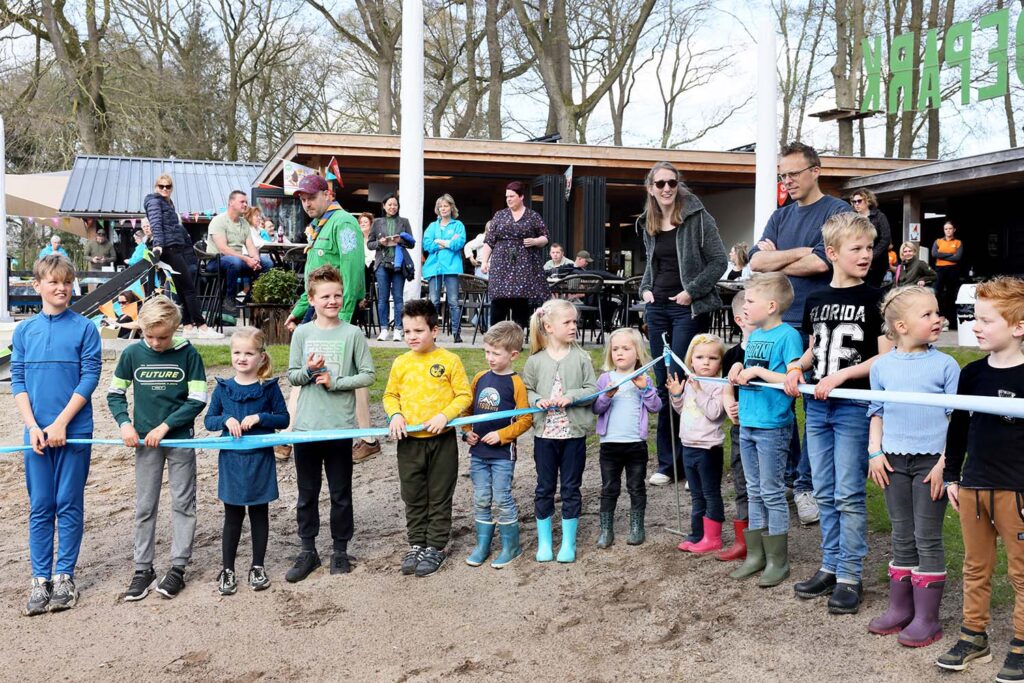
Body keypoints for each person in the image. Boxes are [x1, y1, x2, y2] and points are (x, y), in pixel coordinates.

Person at [784, 212, 889, 615]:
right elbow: (817, 348)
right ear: (831, 253)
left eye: (869, 248)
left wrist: (843, 375)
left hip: (853, 407)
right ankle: (829, 565)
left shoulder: (875, 297)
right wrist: (797, 366)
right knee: (823, 491)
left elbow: (882, 357)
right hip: (818, 406)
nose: (865, 255)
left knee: (848, 493)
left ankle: (850, 575)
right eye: (856, 249)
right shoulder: (815, 299)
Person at [750, 142, 849, 526]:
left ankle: (807, 485)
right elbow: (758, 263)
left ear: (815, 170)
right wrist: (801, 252)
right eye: (782, 174)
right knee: (778, 402)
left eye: (793, 173)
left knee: (812, 403)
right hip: (777, 321)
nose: (787, 181)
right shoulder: (780, 215)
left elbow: (822, 262)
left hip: (817, 321)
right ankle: (788, 476)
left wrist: (785, 257)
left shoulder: (836, 211)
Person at [937, 277, 1024, 678]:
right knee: (975, 566)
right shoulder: (970, 373)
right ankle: (975, 636)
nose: (975, 325)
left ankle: (1021, 643)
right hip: (974, 485)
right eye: (975, 317)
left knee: (1021, 571)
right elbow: (957, 429)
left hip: (1017, 491)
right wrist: (952, 474)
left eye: (987, 320)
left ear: (1018, 326)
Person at [866, 286, 959, 646]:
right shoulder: (883, 367)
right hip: (892, 461)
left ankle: (927, 618)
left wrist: (944, 465)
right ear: (901, 326)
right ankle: (900, 609)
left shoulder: (946, 365)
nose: (938, 319)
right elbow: (877, 411)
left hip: (931, 463)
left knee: (927, 535)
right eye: (928, 315)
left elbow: (956, 419)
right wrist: (875, 452)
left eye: (938, 313)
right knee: (901, 532)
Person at [13, 255, 102, 616]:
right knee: (40, 506)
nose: (61, 288)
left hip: (74, 431)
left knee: (68, 502)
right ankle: (40, 579)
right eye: (53, 282)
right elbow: (17, 381)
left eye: (66, 281)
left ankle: (64, 575)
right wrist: (34, 426)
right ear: (37, 286)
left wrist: (63, 423)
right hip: (35, 434)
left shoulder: (85, 328)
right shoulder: (24, 332)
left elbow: (89, 378)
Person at [107, 295, 207, 601]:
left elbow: (198, 399)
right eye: (149, 336)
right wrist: (125, 423)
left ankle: (178, 566)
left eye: (162, 337)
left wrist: (165, 427)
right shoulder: (133, 354)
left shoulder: (189, 355)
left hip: (178, 440)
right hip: (144, 444)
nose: (154, 343)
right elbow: (115, 394)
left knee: (182, 502)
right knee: (145, 505)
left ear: (174, 329)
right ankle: (143, 568)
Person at [638, 161, 728, 488]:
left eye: (671, 183)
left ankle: (696, 462)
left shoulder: (699, 218)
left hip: (686, 309)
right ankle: (668, 464)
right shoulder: (646, 222)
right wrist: (644, 289)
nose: (666, 189)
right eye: (659, 183)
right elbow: (651, 264)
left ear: (678, 185)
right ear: (650, 188)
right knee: (665, 387)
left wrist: (691, 292)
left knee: (688, 381)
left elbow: (719, 262)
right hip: (657, 309)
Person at [285, 266, 375, 581]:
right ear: (312, 299)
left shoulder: (352, 334)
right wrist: (309, 371)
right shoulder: (302, 333)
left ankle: (339, 550)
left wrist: (336, 381)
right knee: (307, 492)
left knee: (340, 492)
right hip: (307, 428)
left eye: (337, 295)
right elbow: (292, 375)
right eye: (325, 296)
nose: (332, 301)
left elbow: (368, 374)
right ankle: (307, 550)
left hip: (339, 426)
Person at [384, 299, 472, 577]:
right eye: (407, 331)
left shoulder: (449, 361)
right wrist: (395, 416)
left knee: (439, 494)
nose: (411, 337)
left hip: (441, 440)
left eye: (418, 331)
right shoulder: (401, 363)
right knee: (413, 494)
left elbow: (464, 395)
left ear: (434, 330)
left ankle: (436, 545)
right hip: (409, 442)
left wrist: (445, 415)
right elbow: (390, 395)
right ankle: (417, 542)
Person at [727, 272, 804, 587]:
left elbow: (791, 380)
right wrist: (738, 368)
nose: (745, 306)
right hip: (748, 423)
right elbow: (746, 368)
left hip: (772, 426)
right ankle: (756, 555)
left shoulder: (788, 336)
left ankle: (778, 560)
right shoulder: (755, 336)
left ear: (771, 306)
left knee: (772, 492)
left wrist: (757, 371)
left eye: (750, 300)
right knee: (754, 490)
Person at [204, 327, 289, 595]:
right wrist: (226, 420)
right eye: (237, 352)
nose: (242, 358)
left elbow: (284, 419)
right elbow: (209, 420)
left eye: (249, 353)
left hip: (260, 461)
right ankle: (227, 569)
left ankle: (258, 566)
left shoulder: (269, 389)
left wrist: (261, 418)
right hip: (232, 462)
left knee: (259, 513)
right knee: (233, 515)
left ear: (261, 357)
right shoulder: (223, 389)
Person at [522, 298, 598, 564]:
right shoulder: (535, 361)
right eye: (567, 322)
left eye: (575, 321)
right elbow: (527, 391)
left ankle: (568, 542)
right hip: (545, 437)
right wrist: (536, 401)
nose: (573, 326)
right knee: (544, 488)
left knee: (570, 488)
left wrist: (572, 396)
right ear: (549, 326)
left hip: (573, 437)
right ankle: (545, 543)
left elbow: (592, 390)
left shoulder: (581, 357)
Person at [461, 321, 533, 568]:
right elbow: (467, 411)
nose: (489, 358)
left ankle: (511, 546)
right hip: (478, 453)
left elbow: (526, 419)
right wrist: (467, 431)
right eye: (487, 352)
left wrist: (502, 435)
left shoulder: (516, 384)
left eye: (496, 353)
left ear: (513, 355)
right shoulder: (480, 377)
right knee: (481, 497)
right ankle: (482, 545)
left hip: (502, 454)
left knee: (502, 497)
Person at [592, 328, 662, 549]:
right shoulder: (606, 379)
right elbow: (596, 407)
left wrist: (644, 390)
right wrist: (607, 395)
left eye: (625, 348)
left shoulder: (643, 378)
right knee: (609, 487)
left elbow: (656, 407)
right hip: (610, 445)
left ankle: (636, 527)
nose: (619, 353)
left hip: (635, 444)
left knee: (636, 486)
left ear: (638, 352)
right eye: (615, 349)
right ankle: (606, 529)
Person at [143, 174, 221, 338]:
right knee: (189, 289)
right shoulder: (155, 201)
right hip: (168, 249)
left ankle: (187, 326)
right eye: (161, 186)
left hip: (173, 248)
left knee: (181, 289)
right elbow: (156, 223)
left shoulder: (166, 203)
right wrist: (158, 246)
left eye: (168, 186)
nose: (164, 189)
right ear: (156, 187)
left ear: (171, 188)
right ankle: (202, 326)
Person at [669, 334, 727, 554]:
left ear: (720, 363)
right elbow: (683, 411)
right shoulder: (692, 383)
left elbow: (713, 412)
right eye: (700, 357)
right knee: (696, 494)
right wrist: (676, 396)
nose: (705, 362)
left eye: (712, 358)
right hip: (689, 446)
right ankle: (697, 534)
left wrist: (700, 390)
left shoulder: (719, 385)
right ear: (690, 360)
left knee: (710, 493)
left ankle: (713, 537)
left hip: (708, 449)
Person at [285, 175, 365, 330]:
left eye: (312, 198)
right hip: (317, 303)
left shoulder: (344, 223)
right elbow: (314, 279)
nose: (307, 204)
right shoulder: (317, 225)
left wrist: (344, 316)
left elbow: (352, 272)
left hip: (335, 307)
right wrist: (298, 310)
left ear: (328, 195)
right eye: (303, 200)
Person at [481, 181, 550, 329]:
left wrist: (535, 241)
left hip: (524, 264)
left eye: (512, 196)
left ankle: (517, 340)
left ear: (521, 197)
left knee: (520, 301)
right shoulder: (499, 215)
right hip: (501, 263)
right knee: (499, 300)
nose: (508, 199)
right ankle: (496, 338)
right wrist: (484, 261)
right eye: (507, 197)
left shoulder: (533, 216)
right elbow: (489, 241)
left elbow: (545, 238)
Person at [718, 295, 753, 562]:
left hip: (765, 428)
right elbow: (726, 389)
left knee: (763, 486)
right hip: (740, 429)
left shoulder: (772, 347)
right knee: (741, 482)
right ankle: (743, 541)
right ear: (739, 320)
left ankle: (763, 541)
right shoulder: (732, 354)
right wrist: (730, 406)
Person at [206, 190, 273, 315]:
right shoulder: (218, 220)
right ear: (231, 202)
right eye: (242, 201)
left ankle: (252, 296)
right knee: (235, 262)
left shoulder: (244, 223)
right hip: (217, 260)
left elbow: (251, 246)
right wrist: (247, 259)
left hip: (237, 261)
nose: (245, 204)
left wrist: (255, 259)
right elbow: (223, 249)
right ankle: (229, 298)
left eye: (246, 202)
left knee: (267, 263)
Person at [367, 193, 415, 342]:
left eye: (395, 204)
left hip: (398, 264)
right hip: (382, 263)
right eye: (390, 204)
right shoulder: (377, 222)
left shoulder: (404, 222)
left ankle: (398, 329)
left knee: (398, 297)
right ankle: (384, 329)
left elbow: (412, 243)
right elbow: (370, 244)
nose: (392, 207)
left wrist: (401, 240)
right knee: (382, 298)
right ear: (384, 206)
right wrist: (380, 243)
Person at [423, 194, 467, 343]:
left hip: (452, 268)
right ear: (438, 209)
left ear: (451, 207)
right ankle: (432, 334)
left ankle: (456, 333)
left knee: (453, 301)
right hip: (434, 268)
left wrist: (441, 242)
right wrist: (448, 242)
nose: (443, 208)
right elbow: (427, 245)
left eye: (446, 206)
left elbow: (459, 243)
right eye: (441, 206)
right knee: (434, 301)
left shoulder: (458, 225)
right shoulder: (432, 226)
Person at [849, 188, 891, 288]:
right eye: (854, 202)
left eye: (859, 201)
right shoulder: (851, 218)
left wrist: (871, 255)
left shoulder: (879, 216)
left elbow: (885, 239)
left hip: (877, 263)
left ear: (868, 201)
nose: (856, 204)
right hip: (856, 260)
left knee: (872, 289)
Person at [931, 221, 963, 329]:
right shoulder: (938, 241)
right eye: (946, 229)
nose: (948, 231)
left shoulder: (958, 242)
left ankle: (951, 321)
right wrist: (950, 254)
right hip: (940, 269)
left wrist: (942, 255)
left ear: (954, 230)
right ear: (943, 230)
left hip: (953, 270)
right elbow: (934, 254)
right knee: (936, 292)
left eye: (950, 228)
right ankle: (940, 316)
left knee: (951, 294)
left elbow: (957, 258)